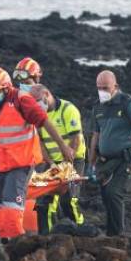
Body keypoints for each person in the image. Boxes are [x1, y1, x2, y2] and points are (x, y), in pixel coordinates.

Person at [0, 67, 75, 239]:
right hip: (2, 165)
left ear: (6, 88)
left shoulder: (21, 100)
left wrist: (62, 146)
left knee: (11, 207)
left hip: (21, 164)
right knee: (1, 208)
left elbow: (44, 121)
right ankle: (6, 242)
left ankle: (18, 243)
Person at [88, 70, 131, 236]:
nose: (102, 92)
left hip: (129, 158)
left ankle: (118, 235)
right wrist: (91, 164)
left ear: (116, 86)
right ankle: (111, 234)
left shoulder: (127, 102)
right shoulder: (97, 106)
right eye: (99, 88)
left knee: (114, 193)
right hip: (107, 160)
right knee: (106, 195)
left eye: (105, 88)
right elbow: (95, 137)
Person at [29, 84, 87, 234]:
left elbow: (75, 138)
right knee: (44, 201)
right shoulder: (37, 115)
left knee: (69, 199)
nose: (37, 106)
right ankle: (45, 236)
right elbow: (40, 141)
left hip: (74, 160)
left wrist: (67, 164)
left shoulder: (68, 110)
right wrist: (50, 163)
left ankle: (80, 231)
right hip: (52, 162)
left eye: (38, 101)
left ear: (47, 94)